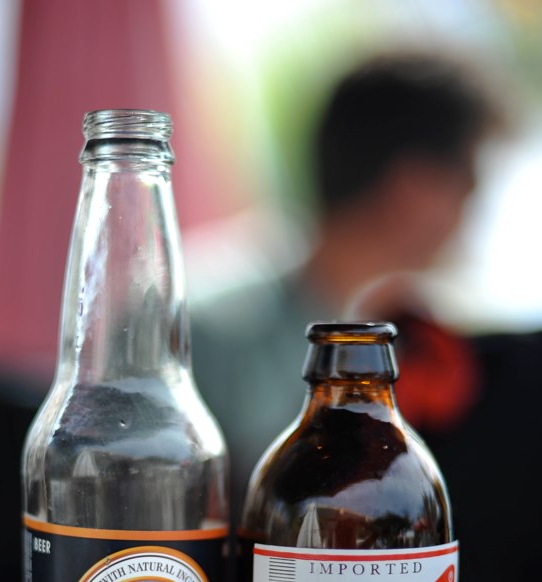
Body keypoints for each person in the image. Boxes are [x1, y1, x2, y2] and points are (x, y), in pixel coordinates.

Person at [191, 49, 504, 514]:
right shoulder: (221, 330)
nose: (474, 204)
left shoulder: (412, 336)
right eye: (467, 179)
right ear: (410, 187)